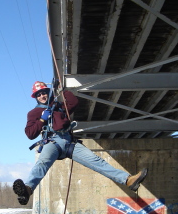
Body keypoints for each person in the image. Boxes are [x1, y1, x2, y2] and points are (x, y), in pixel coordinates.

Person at [13, 81, 148, 205]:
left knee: (96, 161)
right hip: (52, 142)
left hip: (69, 142)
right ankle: (28, 189)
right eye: (39, 94)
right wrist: (42, 120)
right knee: (43, 162)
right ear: (36, 97)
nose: (42, 95)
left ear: (49, 93)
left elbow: (74, 102)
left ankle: (127, 180)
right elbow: (30, 134)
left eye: (44, 92)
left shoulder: (59, 106)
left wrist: (61, 91)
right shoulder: (34, 113)